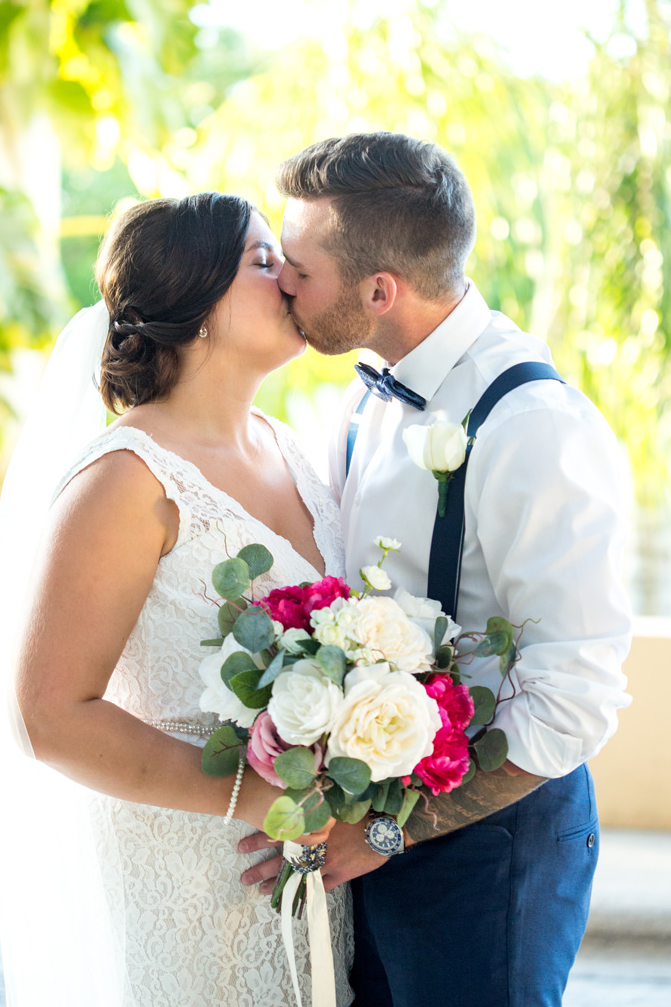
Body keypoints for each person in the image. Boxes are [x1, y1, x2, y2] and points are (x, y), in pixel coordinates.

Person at [238, 133, 633, 1007]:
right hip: (373, 829)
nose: (280, 283)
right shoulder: (365, 388)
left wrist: (386, 832)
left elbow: (575, 700)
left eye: (296, 267)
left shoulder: (532, 426)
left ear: (380, 291)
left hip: (493, 849)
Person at [0, 193, 353, 1007]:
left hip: (307, 862)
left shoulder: (289, 449)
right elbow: (45, 712)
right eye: (262, 260)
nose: (290, 277)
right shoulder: (126, 478)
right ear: (197, 304)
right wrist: (248, 792)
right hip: (187, 871)